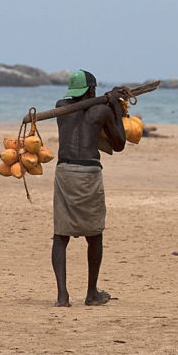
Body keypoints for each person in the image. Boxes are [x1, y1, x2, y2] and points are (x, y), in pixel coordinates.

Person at [52, 69, 126, 307]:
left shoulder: (61, 107)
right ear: (92, 89)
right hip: (88, 173)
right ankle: (91, 293)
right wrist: (115, 108)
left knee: (61, 236)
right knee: (94, 235)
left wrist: (107, 99)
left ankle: (62, 297)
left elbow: (81, 108)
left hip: (64, 172)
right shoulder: (101, 110)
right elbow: (120, 143)